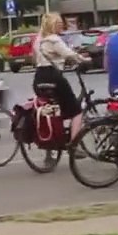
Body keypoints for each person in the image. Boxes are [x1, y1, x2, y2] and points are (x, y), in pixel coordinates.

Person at [32, 12, 91, 141]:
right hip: (53, 77)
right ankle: (74, 143)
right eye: (59, 23)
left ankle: (50, 143)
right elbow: (69, 54)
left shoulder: (38, 40)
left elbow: (35, 58)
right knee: (76, 111)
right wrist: (84, 60)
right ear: (53, 25)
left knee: (50, 110)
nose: (62, 25)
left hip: (39, 77)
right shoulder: (54, 39)